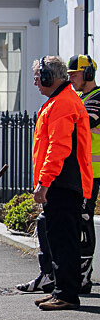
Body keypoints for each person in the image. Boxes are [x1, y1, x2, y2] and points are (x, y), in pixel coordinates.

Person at [28, 56, 92, 311]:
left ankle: (66, 294)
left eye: (37, 77)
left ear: (48, 77)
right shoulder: (59, 101)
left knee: (63, 239)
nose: (35, 83)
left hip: (63, 183)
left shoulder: (63, 103)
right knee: (58, 237)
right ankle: (61, 290)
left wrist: (44, 182)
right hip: (64, 182)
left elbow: (58, 147)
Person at [67, 55, 100, 294]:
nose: (71, 80)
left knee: (85, 221)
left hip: (93, 171)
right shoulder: (80, 98)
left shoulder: (97, 98)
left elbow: (85, 123)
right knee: (79, 220)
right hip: (82, 170)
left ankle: (83, 276)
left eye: (74, 75)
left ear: (88, 74)